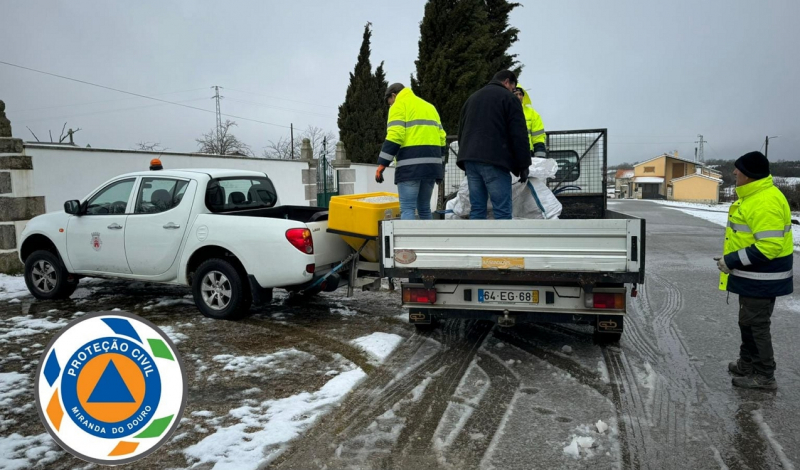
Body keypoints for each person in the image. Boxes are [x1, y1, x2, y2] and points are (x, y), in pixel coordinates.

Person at [716, 151, 793, 390]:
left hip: (762, 277)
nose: (734, 172)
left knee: (755, 326)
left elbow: (769, 246)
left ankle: (764, 375)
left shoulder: (764, 201)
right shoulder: (755, 196)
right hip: (753, 276)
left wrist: (731, 261)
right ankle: (747, 365)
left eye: (738, 169)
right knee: (747, 323)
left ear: (749, 175)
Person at [456, 70, 530, 220]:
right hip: (495, 160)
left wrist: (466, 156)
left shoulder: (472, 98)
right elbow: (519, 134)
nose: (513, 91)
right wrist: (523, 165)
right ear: (507, 82)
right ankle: (503, 244)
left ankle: (478, 243)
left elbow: (461, 132)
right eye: (513, 87)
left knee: (477, 209)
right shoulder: (509, 98)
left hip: (470, 160)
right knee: (502, 211)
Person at [375, 83, 446, 220]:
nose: (390, 106)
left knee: (407, 208)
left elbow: (395, 135)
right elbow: (442, 138)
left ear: (394, 96)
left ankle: (408, 242)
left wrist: (382, 164)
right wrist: (440, 166)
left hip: (410, 168)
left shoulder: (399, 106)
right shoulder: (429, 107)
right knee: (425, 208)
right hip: (431, 167)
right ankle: (428, 241)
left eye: (389, 103)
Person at [513, 86, 547, 159]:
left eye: (520, 94)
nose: (519, 97)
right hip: (509, 154)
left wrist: (540, 158)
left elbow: (538, 138)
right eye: (516, 94)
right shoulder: (504, 111)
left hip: (527, 153)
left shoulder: (533, 114)